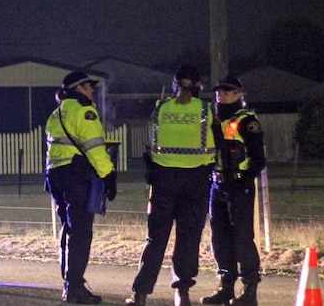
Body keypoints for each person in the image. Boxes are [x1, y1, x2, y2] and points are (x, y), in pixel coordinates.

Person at [126, 65, 215, 306]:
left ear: (175, 85)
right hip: (196, 180)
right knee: (188, 238)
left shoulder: (160, 109)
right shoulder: (207, 110)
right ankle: (182, 293)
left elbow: (152, 142)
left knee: (156, 239)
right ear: (199, 87)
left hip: (163, 180)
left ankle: (140, 293)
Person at [46, 71, 117, 304]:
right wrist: (108, 175)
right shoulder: (84, 111)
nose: (92, 90)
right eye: (89, 87)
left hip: (55, 175)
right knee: (81, 233)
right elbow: (95, 147)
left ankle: (70, 282)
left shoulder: (56, 114)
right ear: (78, 89)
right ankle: (74, 287)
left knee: (69, 229)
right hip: (76, 176)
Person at [201, 75, 266, 306]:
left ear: (239, 95)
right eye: (219, 92)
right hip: (217, 186)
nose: (222, 96)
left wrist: (245, 180)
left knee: (242, 240)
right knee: (219, 239)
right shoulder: (212, 119)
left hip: (239, 187)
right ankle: (225, 287)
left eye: (228, 92)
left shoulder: (246, 121)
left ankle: (250, 291)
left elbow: (259, 158)